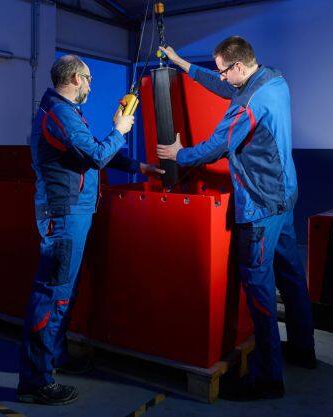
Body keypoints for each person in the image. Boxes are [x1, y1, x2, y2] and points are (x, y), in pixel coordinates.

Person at [157, 37, 316, 401]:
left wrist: (180, 155)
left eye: (223, 71)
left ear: (239, 67)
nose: (221, 77)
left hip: (260, 204)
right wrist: (181, 63)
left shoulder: (247, 105)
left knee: (259, 289)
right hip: (284, 194)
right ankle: (303, 349)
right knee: (291, 275)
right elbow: (224, 86)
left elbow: (218, 144)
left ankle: (268, 378)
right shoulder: (273, 79)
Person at [18, 54, 164, 405]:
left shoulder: (65, 111)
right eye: (88, 79)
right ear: (74, 78)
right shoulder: (59, 113)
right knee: (52, 295)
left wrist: (139, 166)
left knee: (65, 293)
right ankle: (36, 382)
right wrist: (120, 130)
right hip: (64, 214)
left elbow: (89, 150)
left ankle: (56, 357)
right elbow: (97, 155)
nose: (91, 85)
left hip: (74, 213)